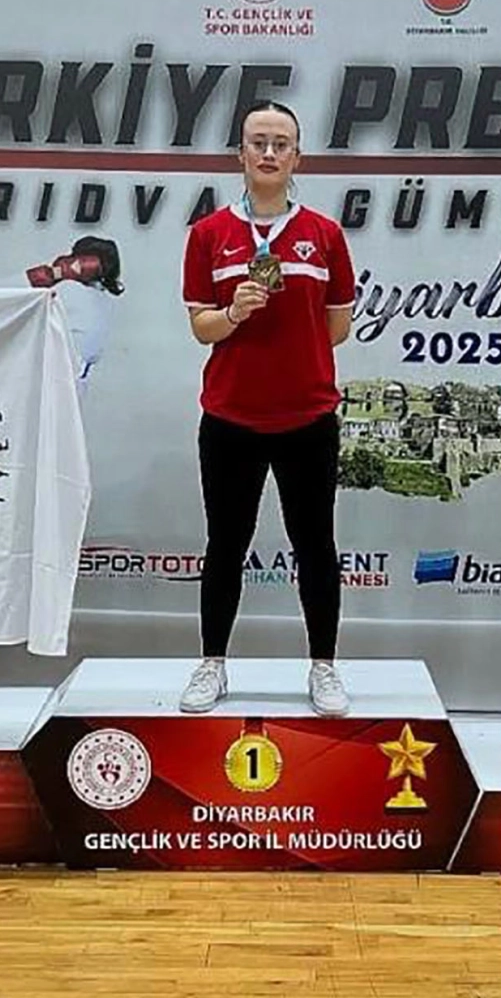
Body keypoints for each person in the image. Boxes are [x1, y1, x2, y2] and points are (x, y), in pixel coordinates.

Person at [178, 100, 356, 717]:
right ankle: (212, 663)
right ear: (241, 154)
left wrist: (292, 343)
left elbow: (337, 327)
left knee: (316, 544)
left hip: (308, 417)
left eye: (282, 143)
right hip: (231, 417)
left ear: (298, 157)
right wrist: (234, 314)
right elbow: (201, 326)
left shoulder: (325, 235)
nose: (270, 153)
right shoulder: (209, 235)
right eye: (259, 142)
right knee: (226, 543)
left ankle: (324, 666)